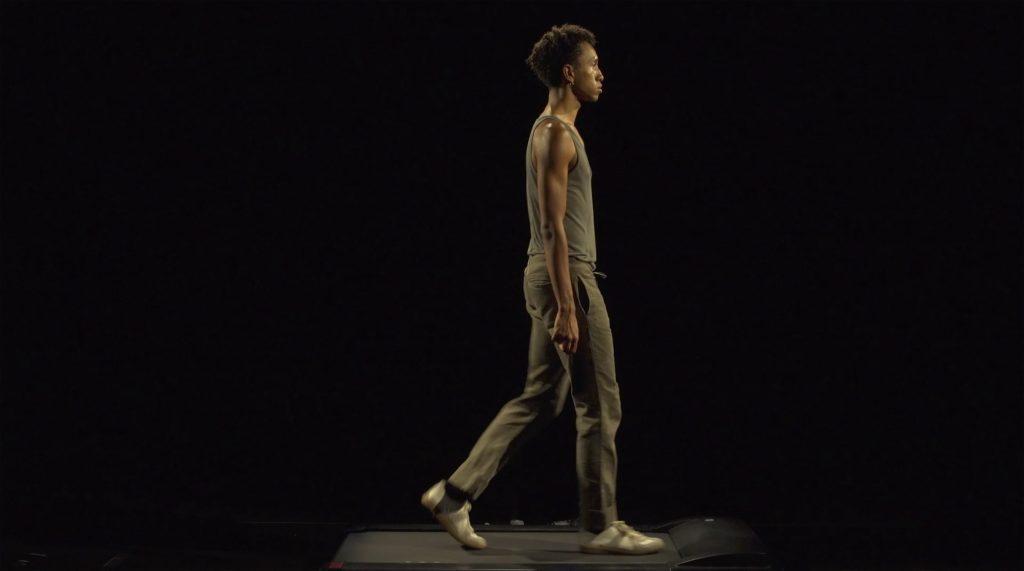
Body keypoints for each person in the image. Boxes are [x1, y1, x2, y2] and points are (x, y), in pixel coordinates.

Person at [420, 23, 664, 556]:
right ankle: (601, 526)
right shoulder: (554, 133)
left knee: (541, 397)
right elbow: (553, 228)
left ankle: (453, 494)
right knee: (599, 403)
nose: (601, 74)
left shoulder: (555, 131)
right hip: (565, 276)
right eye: (593, 65)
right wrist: (568, 308)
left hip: (551, 275)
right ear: (569, 73)